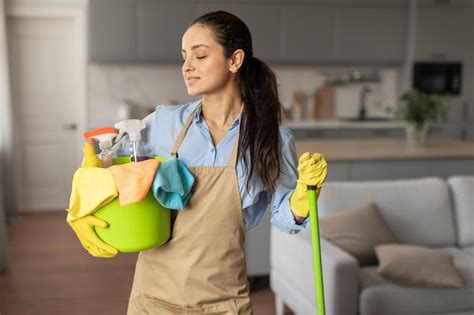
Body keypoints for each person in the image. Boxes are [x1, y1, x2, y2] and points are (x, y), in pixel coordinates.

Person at [127, 11, 326, 315]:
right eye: (184, 57)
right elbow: (110, 166)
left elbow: (282, 214)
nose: (187, 66)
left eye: (200, 55)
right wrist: (90, 200)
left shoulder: (270, 137)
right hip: (154, 299)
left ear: (235, 61)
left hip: (223, 302)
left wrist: (302, 199)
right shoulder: (162, 124)